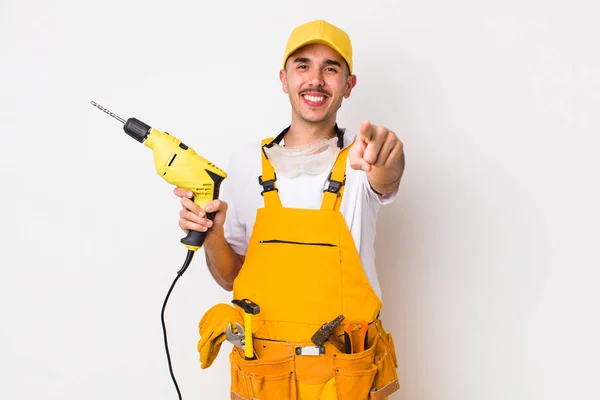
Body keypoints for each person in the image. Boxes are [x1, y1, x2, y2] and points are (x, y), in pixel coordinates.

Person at [175, 19, 404, 400]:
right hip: (264, 377)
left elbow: (386, 176)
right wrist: (212, 234)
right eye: (303, 66)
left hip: (345, 379)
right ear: (284, 79)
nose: (315, 79)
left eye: (331, 68)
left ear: (349, 85)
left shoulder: (360, 159)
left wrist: (388, 155)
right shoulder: (248, 162)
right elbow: (232, 277)